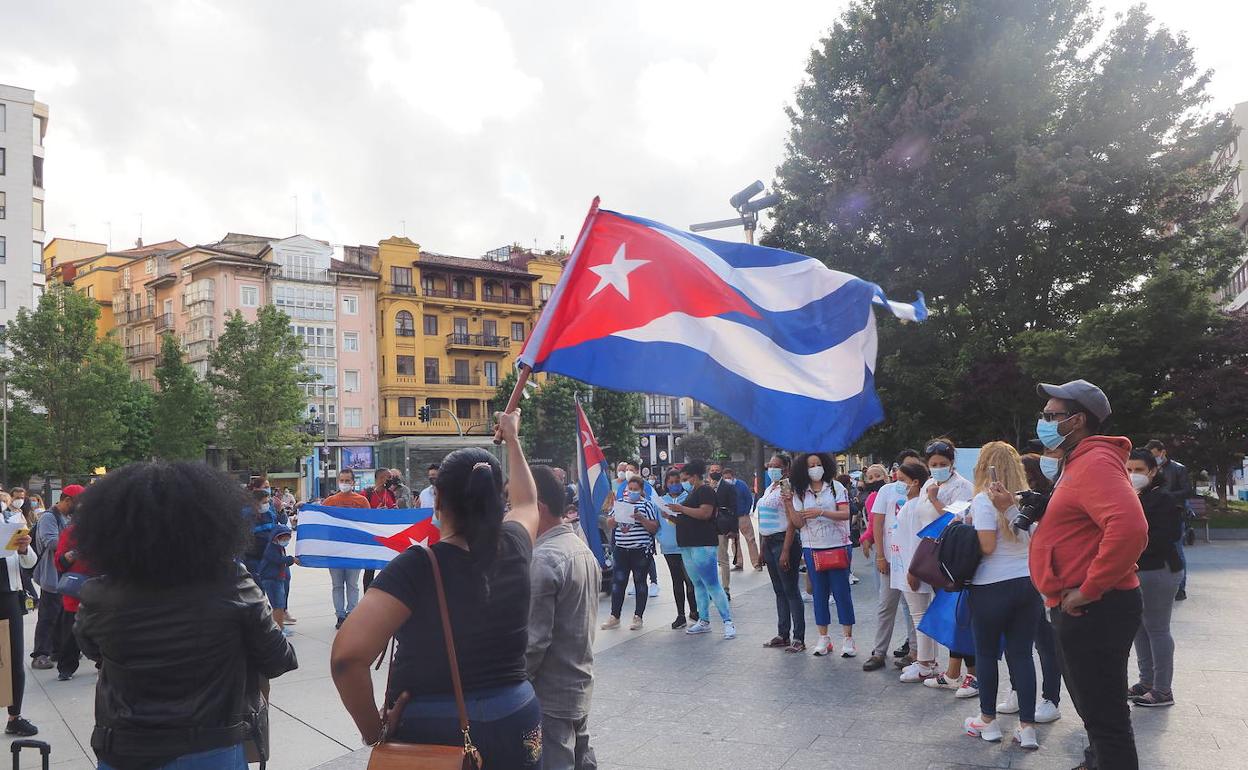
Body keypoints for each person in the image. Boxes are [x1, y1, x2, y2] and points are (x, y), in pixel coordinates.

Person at [331, 410, 544, 767]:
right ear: (497, 498)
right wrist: (513, 439)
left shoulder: (418, 566)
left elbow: (347, 658)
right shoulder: (516, 543)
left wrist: (373, 732)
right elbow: (526, 503)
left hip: (436, 727)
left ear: (439, 499)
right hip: (517, 714)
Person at [73, 461, 298, 769]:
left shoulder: (98, 592)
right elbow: (279, 658)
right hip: (209, 747)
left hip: (122, 748)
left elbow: (91, 649)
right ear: (210, 524)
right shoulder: (231, 581)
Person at [1031, 379, 1148, 770]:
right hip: (1083, 605)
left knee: (1104, 713)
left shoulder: (1094, 462)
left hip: (1094, 607)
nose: (1043, 422)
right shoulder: (1077, 461)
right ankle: (1094, 761)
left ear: (1076, 420)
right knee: (1094, 705)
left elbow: (1130, 527)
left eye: (1051, 416)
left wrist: (1090, 588)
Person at [960, 443, 1044, 750]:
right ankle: (1028, 727)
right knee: (1022, 655)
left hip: (990, 586)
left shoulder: (984, 500)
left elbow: (987, 546)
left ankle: (988, 721)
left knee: (985, 653)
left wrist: (965, 527)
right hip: (1026, 584)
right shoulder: (1027, 500)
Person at [527, 465, 600, 769]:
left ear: (538, 508)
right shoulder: (579, 549)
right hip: (577, 680)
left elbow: (534, 642)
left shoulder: (544, 559)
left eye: (514, 504)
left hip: (550, 692)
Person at [999, 450, 1064, 725]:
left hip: (1041, 581)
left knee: (1046, 645)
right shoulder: (1005, 498)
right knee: (1015, 645)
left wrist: (1013, 511)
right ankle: (1017, 690)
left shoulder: (1050, 502)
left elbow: (1040, 537)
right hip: (1013, 579)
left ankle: (1051, 699)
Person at [920, 438, 978, 698]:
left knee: (961, 616)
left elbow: (957, 520)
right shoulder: (927, 484)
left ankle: (973, 675)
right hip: (934, 555)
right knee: (950, 616)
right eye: (933, 464)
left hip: (955, 558)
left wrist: (934, 500)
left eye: (943, 463)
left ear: (952, 463)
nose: (938, 468)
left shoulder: (963, 486)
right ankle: (953, 672)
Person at [1126, 449, 1184, 708]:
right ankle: (1146, 681)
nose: (1133, 475)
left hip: (1158, 570)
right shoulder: (1129, 496)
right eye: (1128, 469)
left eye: (1138, 470)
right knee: (1139, 626)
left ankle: (1162, 689)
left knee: (1157, 628)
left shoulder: (1162, 499)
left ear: (1152, 471)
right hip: (1136, 570)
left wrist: (1130, 548)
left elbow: (1165, 536)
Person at [785, 452, 855, 657]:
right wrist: (789, 504)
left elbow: (845, 514)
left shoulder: (836, 487)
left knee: (842, 593)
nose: (815, 468)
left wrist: (821, 512)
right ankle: (824, 637)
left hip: (838, 545)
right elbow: (798, 523)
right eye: (810, 465)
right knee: (819, 594)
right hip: (812, 547)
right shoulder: (800, 492)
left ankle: (848, 638)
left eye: (818, 464)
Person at [666, 460, 735, 639]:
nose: (682, 482)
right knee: (697, 583)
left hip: (702, 544)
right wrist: (672, 516)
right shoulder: (693, 493)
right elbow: (689, 517)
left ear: (694, 476)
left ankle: (728, 622)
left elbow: (705, 513)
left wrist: (680, 508)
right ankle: (704, 619)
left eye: (684, 478)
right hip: (688, 545)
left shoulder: (705, 490)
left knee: (711, 583)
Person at [865, 452, 921, 671]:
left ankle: (916, 652)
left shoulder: (923, 491)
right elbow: (877, 523)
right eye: (901, 467)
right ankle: (879, 652)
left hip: (912, 561)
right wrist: (881, 555)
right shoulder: (886, 490)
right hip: (890, 559)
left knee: (914, 608)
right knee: (886, 605)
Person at [891, 460, 942, 682]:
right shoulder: (909, 504)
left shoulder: (915, 508)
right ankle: (927, 660)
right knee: (920, 616)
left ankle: (924, 664)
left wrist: (912, 570)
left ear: (915, 482)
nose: (898, 483)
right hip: (906, 567)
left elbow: (917, 540)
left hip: (912, 569)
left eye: (902, 480)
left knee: (919, 616)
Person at [756, 453, 805, 653]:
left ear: (786, 469)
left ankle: (798, 638)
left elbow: (791, 521)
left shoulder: (786, 486)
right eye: (770, 466)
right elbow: (762, 519)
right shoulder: (770, 487)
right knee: (778, 590)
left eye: (776, 466)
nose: (772, 469)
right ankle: (782, 633)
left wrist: (785, 550)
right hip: (769, 542)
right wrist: (761, 548)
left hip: (783, 541)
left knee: (791, 590)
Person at [0, 490, 38, 736]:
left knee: (14, 658)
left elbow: (27, 564)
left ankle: (15, 716)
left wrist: (24, 548)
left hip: (9, 597)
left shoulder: (10, 520)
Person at [31, 485, 81, 670]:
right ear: (67, 500)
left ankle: (58, 650)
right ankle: (40, 654)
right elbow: (51, 542)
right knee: (48, 616)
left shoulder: (68, 517)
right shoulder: (48, 517)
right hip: (52, 573)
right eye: (78, 502)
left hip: (67, 572)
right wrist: (76, 539)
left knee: (64, 614)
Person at [601, 477, 660, 631]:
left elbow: (654, 527)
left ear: (641, 490)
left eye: (635, 489)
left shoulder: (647, 505)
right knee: (618, 582)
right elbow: (609, 523)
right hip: (621, 549)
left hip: (640, 549)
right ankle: (615, 616)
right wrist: (614, 519)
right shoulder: (620, 502)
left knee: (640, 582)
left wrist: (641, 518)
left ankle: (638, 616)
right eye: (630, 489)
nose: (632, 492)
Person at [321, 469, 369, 629]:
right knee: (337, 585)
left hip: (354, 550)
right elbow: (320, 522)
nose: (344, 483)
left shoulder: (362, 501)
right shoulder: (329, 502)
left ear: (353, 482)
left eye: (348, 480)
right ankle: (340, 616)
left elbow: (368, 525)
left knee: (352, 584)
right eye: (342, 480)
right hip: (334, 550)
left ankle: (352, 614)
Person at [1145, 440, 1191, 601]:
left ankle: (1181, 588)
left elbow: (1186, 490)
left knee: (1176, 549)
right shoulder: (1151, 468)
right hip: (1153, 513)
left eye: (1155, 454)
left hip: (1173, 513)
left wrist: (1167, 497)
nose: (1154, 457)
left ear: (1163, 452)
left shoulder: (1178, 468)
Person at [656, 468, 698, 629]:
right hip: (669, 547)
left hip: (686, 546)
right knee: (676, 582)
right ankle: (680, 614)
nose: (674, 485)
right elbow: (657, 521)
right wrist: (660, 537)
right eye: (671, 482)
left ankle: (694, 611)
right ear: (666, 484)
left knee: (690, 580)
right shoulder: (661, 500)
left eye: (677, 482)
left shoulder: (688, 498)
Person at [54, 519, 93, 681]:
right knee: (71, 633)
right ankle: (66, 667)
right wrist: (74, 553)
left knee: (103, 630)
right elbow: (59, 562)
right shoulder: (70, 533)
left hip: (102, 588)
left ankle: (103, 664)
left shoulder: (110, 529)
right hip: (75, 590)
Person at [705, 462, 738, 599]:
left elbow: (734, 508)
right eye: (712, 470)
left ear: (721, 472)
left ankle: (725, 588)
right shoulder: (705, 488)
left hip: (722, 527)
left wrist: (734, 529)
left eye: (717, 470)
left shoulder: (729, 487)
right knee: (709, 560)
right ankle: (712, 588)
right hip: (707, 527)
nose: (714, 472)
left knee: (723, 558)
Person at [256, 525, 295, 636]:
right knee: (277, 605)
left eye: (287, 539)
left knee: (280, 604)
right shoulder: (271, 548)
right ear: (276, 538)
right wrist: (291, 559)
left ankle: (280, 626)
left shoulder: (279, 548)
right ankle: (278, 628)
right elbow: (278, 560)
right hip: (271, 579)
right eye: (283, 539)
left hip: (278, 578)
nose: (286, 541)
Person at [362, 469, 397, 591]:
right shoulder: (367, 494)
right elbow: (361, 515)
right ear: (381, 478)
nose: (391, 480)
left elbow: (395, 511)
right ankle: (368, 593)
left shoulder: (391, 493)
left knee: (388, 568)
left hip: (387, 537)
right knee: (369, 569)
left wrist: (394, 511)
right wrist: (375, 513)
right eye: (389, 477)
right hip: (371, 538)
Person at [723, 467, 761, 572]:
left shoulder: (741, 485)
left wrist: (745, 511)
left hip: (742, 516)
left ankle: (756, 562)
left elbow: (748, 498)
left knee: (750, 539)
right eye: (725, 477)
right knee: (735, 541)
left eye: (729, 477)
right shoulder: (724, 487)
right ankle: (738, 563)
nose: (727, 479)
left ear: (733, 476)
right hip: (731, 517)